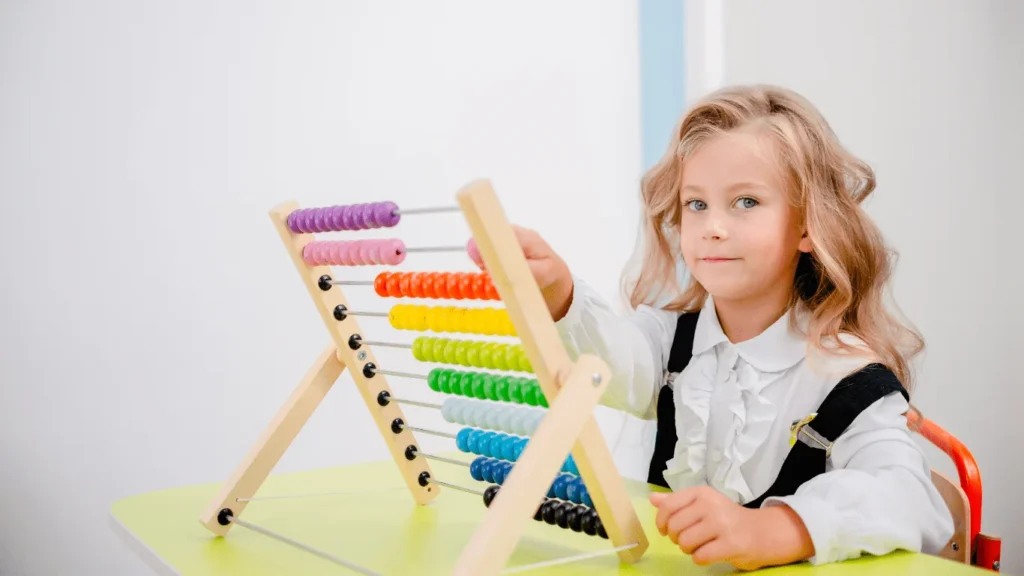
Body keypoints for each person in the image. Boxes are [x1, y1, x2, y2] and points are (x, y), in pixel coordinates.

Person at [468, 84, 954, 570]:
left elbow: (910, 495)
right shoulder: (666, 342)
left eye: (745, 202)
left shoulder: (846, 377)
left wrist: (776, 529)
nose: (712, 227)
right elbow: (610, 362)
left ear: (806, 226)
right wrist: (559, 293)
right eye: (696, 204)